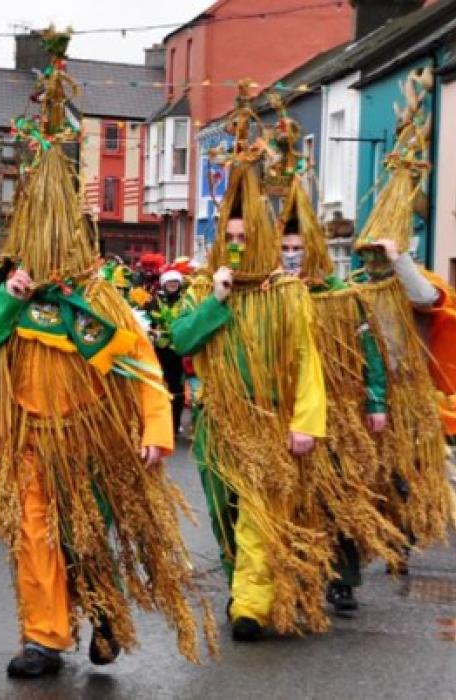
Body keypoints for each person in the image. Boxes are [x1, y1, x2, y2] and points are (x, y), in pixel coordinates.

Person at [0, 31, 214, 679]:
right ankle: (44, 637)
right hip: (30, 443)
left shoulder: (102, 305)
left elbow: (144, 374)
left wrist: (158, 432)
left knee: (82, 541)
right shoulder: (12, 298)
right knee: (35, 539)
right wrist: (9, 298)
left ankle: (103, 615)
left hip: (87, 442)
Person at [171, 80, 334, 643]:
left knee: (259, 520)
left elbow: (306, 361)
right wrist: (214, 300)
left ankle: (249, 605)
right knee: (226, 514)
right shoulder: (205, 290)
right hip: (220, 424)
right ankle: (242, 581)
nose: (237, 247)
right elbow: (181, 341)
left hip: (268, 424)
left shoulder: (285, 295)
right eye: (229, 238)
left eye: (245, 238)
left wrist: (305, 423)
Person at [273, 113, 405, 614]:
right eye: (283, 249)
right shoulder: (273, 298)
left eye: (297, 248)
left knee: (341, 493)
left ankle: (342, 575)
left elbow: (371, 353)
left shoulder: (342, 298)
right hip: (289, 412)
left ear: (315, 250)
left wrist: (375, 402)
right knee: (296, 496)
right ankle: (298, 569)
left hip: (342, 411)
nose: (290, 256)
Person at [346, 67, 454, 574]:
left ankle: (402, 534)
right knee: (366, 474)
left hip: (408, 391)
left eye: (376, 256)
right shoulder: (356, 290)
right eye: (367, 256)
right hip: (367, 393)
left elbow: (427, 297)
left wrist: (399, 260)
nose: (370, 263)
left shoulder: (417, 277)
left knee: (404, 471)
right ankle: (368, 543)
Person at [146, 269, 186, 435]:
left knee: (177, 388)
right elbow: (147, 319)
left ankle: (175, 424)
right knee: (159, 385)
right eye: (170, 283)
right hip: (160, 349)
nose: (172, 285)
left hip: (178, 349)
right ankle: (158, 424)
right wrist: (152, 330)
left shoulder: (184, 301)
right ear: (164, 284)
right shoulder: (155, 300)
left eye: (175, 283)